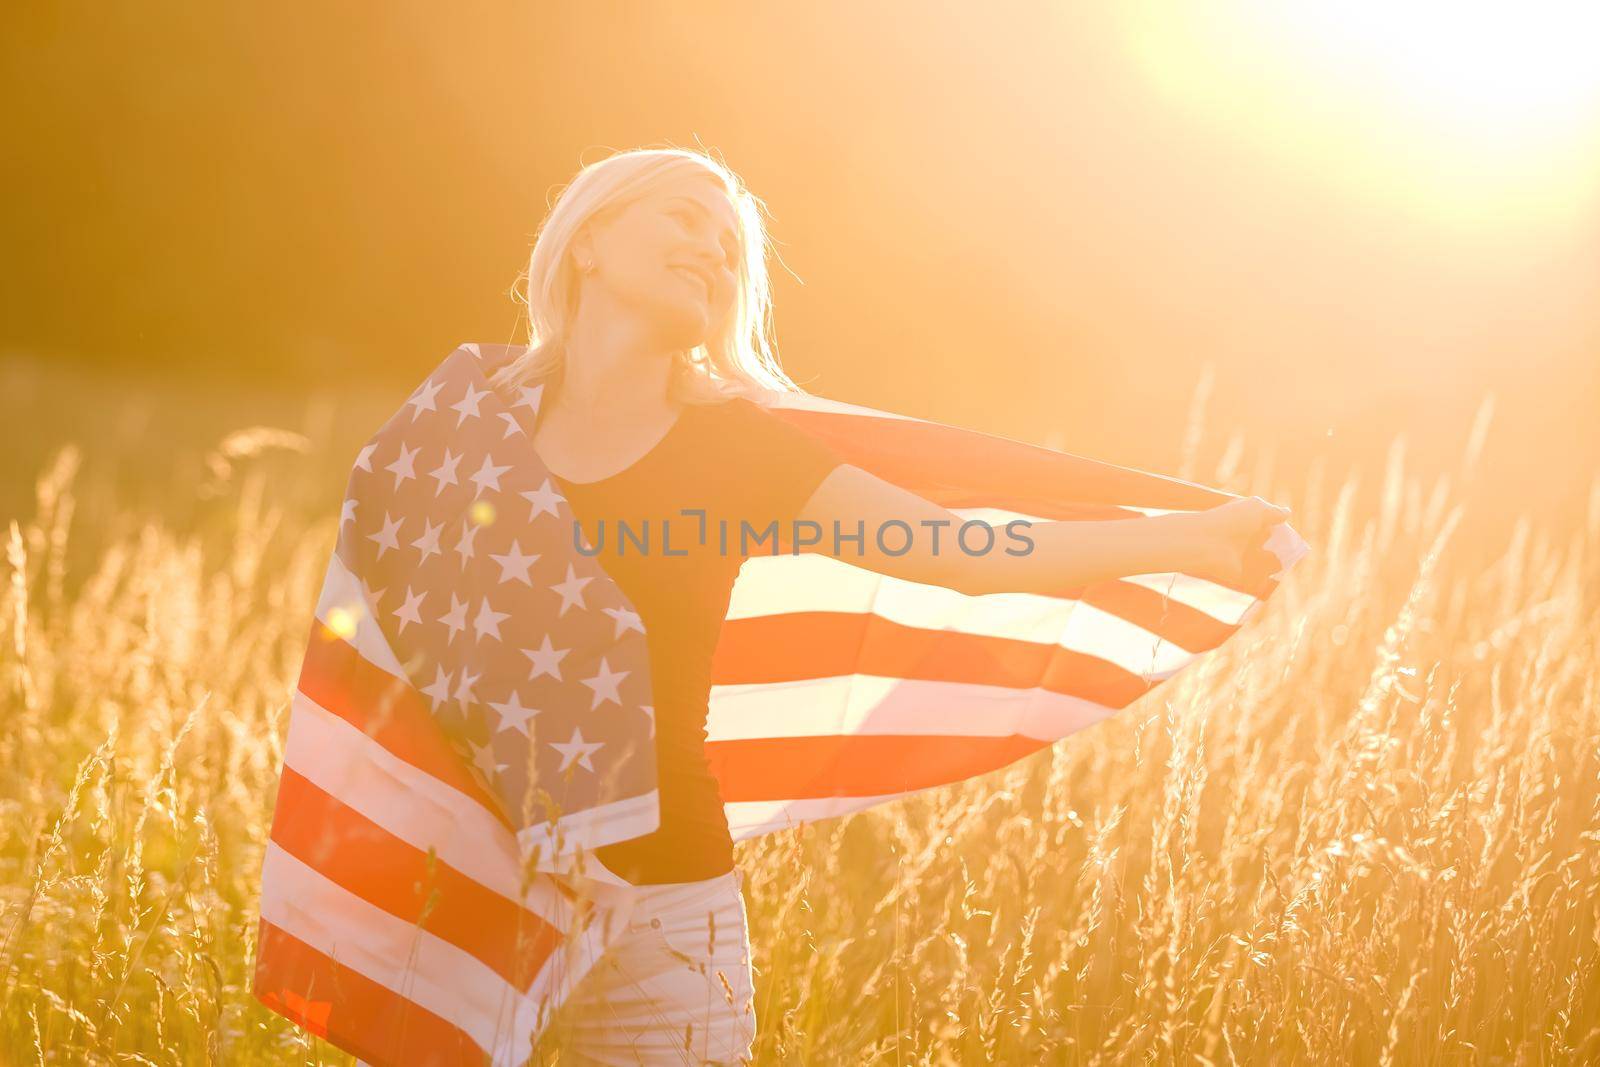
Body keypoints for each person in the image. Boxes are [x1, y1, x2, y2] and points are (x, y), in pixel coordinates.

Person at [486, 146, 1288, 1065]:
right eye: (683, 218)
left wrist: (1188, 540)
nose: (712, 249)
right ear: (588, 240)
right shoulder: (472, 427)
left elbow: (964, 553)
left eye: (728, 244)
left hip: (667, 912)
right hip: (479, 897)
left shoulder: (738, 449)